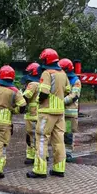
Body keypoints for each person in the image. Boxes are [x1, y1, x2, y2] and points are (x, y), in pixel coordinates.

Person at [28, 48, 71, 179]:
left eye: (43, 59)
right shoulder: (63, 73)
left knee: (42, 139)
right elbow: (68, 90)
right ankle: (59, 169)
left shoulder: (47, 73)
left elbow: (44, 92)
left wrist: (39, 101)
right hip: (60, 112)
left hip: (46, 112)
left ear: (47, 60)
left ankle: (40, 170)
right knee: (59, 141)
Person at [60, 58, 81, 162]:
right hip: (59, 112)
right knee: (59, 134)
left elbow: (74, 96)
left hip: (68, 113)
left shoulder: (75, 81)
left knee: (67, 134)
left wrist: (60, 101)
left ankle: (67, 153)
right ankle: (61, 152)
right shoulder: (62, 78)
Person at [21, 62, 42, 164]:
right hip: (41, 114)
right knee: (41, 136)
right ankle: (43, 155)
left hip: (32, 115)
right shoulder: (43, 83)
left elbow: (25, 97)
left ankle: (31, 156)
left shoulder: (32, 84)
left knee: (30, 136)